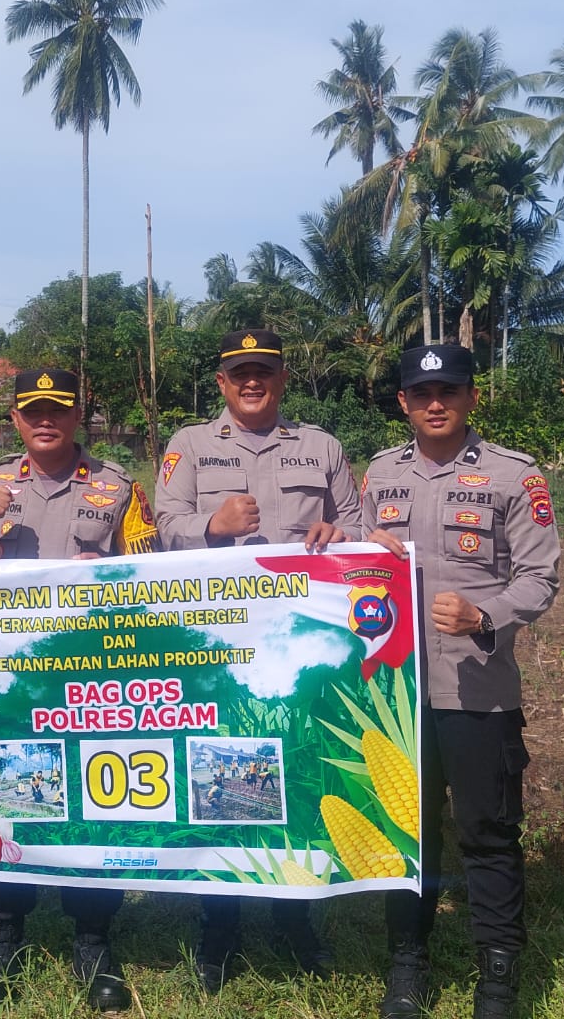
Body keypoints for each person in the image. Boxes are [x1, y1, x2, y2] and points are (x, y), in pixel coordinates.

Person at [0, 367, 158, 1013]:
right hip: (5, 684)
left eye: (58, 409)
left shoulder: (117, 488)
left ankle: (92, 941)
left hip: (88, 683)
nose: (46, 420)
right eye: (34, 411)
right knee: (4, 804)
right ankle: (5, 942)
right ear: (17, 421)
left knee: (88, 806)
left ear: (77, 416)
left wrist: (113, 572)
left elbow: (161, 570)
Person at [154, 328, 365, 992]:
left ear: (281, 380)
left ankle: (297, 919)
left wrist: (339, 535)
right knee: (222, 779)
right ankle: (219, 927)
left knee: (299, 774)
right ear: (221, 383)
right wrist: (210, 526)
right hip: (218, 645)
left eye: (264, 373)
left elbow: (357, 529)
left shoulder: (321, 447)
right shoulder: (187, 446)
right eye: (239, 373)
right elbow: (161, 525)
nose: (252, 383)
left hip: (301, 647)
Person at [362, 344, 560, 1019]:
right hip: (394, 691)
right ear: (404, 403)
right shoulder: (381, 473)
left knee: (487, 832)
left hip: (477, 689)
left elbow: (540, 579)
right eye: (422, 393)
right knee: (405, 833)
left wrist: (486, 613)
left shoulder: (514, 476)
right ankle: (407, 969)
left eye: (449, 390)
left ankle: (498, 979)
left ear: (473, 396)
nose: (436, 402)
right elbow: (357, 562)